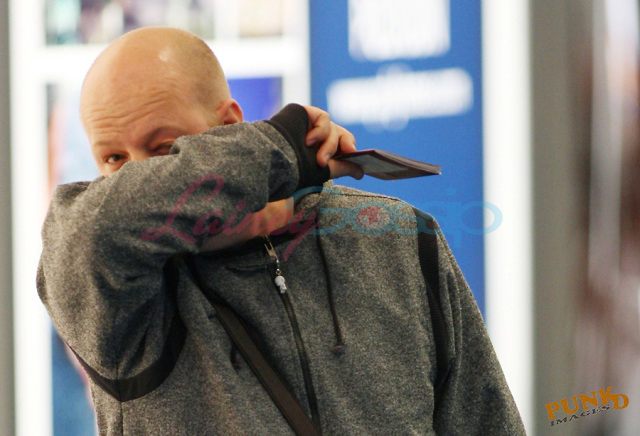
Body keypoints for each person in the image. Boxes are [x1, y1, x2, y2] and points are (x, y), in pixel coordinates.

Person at [37, 27, 526, 435]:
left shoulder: (398, 237)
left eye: (166, 149)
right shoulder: (122, 297)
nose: (138, 179)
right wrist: (281, 147)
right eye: (113, 159)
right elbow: (92, 230)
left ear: (230, 125)